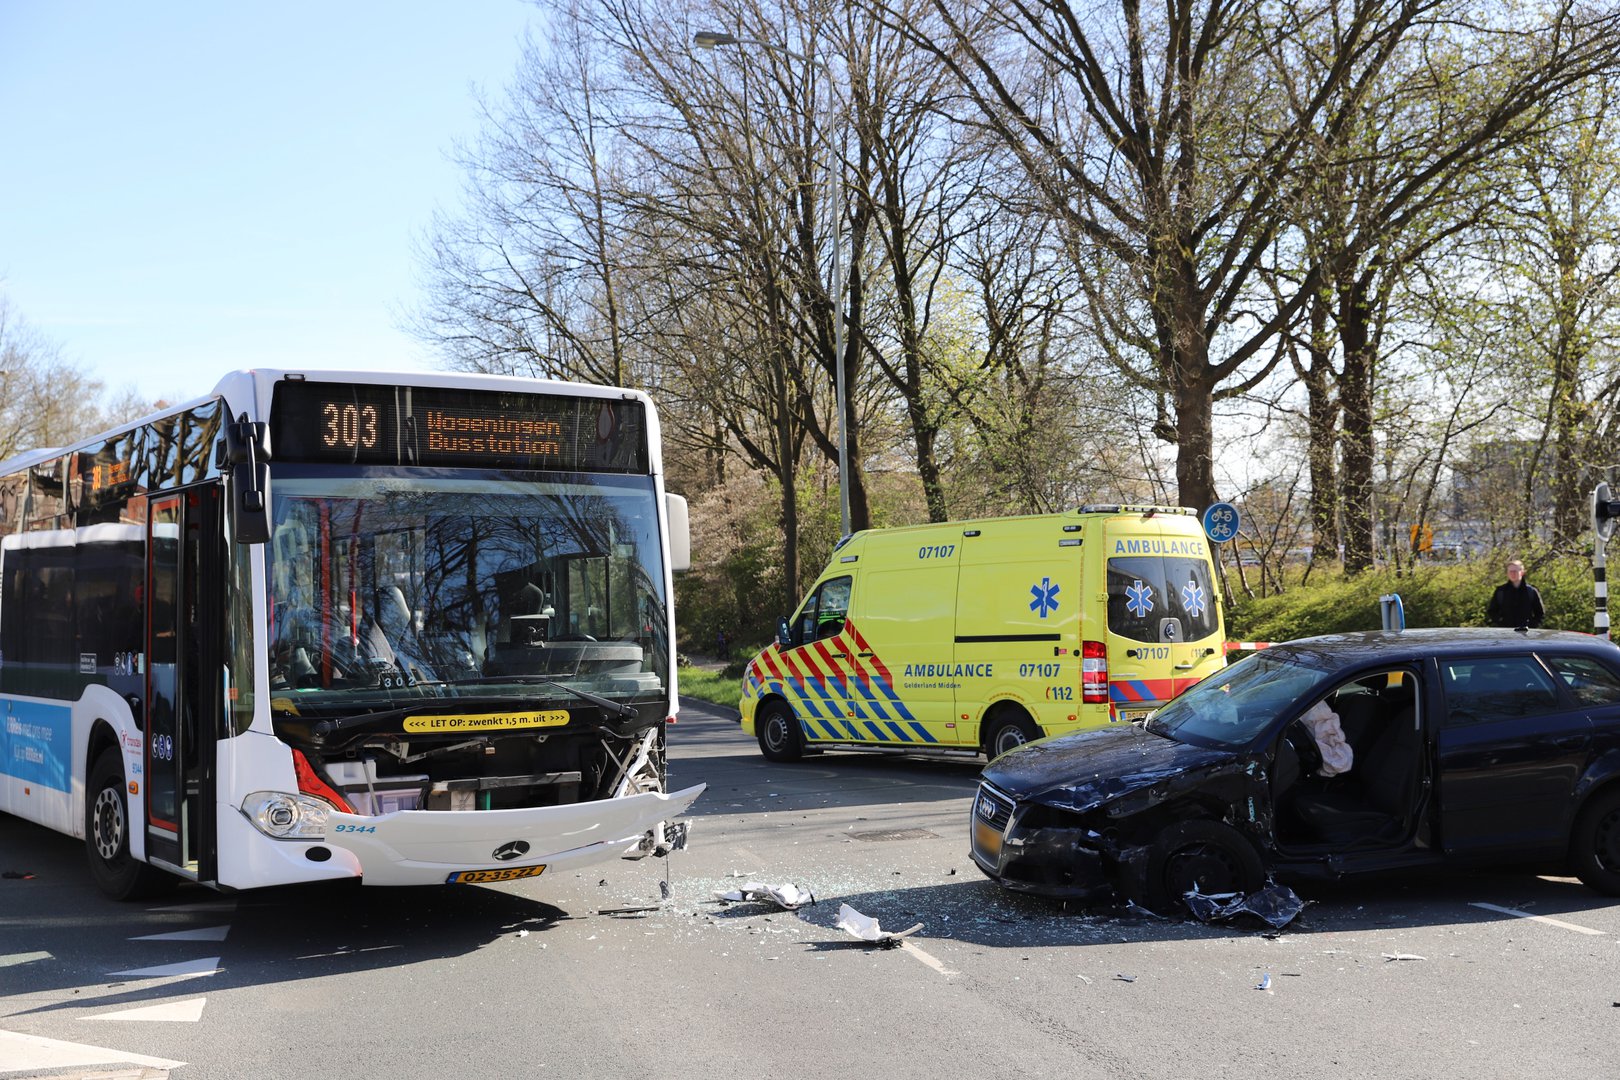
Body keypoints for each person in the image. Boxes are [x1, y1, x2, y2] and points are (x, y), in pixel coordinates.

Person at [1487, 558, 1545, 628]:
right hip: (1505, 634)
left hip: (1526, 634)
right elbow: (1492, 611)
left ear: (1522, 572)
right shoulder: (1500, 591)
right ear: (1507, 573)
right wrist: (1500, 622)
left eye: (1515, 571)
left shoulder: (1531, 591)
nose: (1512, 574)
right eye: (1510, 571)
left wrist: (1532, 625)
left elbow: (1540, 613)